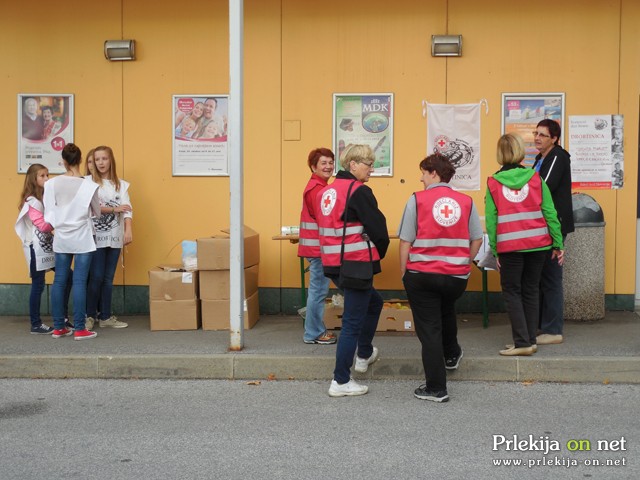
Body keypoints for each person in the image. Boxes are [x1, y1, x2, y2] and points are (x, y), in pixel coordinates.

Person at [398, 154, 483, 402]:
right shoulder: (466, 201)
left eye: (423, 173)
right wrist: (465, 262)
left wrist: (404, 272)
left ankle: (436, 387)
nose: (421, 178)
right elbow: (476, 239)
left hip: (422, 274)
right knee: (446, 311)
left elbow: (406, 241)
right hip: (455, 276)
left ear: (434, 173)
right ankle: (451, 354)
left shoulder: (417, 199)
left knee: (429, 329)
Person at [317, 144, 389, 397]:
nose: (372, 169)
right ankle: (341, 380)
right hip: (356, 264)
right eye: (368, 164)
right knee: (351, 324)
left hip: (334, 263)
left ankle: (365, 354)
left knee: (374, 303)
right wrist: (381, 250)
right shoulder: (359, 191)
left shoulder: (327, 192)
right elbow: (379, 229)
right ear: (353, 165)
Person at [486, 133, 564, 356]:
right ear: (520, 151)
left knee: (512, 292)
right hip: (538, 245)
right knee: (531, 290)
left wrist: (495, 249)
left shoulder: (493, 182)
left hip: (510, 247)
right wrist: (557, 243)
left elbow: (492, 220)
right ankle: (530, 340)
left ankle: (522, 343)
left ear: (500, 154)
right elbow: (550, 212)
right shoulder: (535, 178)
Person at [43, 143, 101, 340]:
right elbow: (97, 211)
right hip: (82, 236)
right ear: (81, 160)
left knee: (59, 281)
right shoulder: (90, 185)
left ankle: (59, 327)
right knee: (79, 281)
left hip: (61, 236)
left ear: (64, 161)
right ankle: (79, 329)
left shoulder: (51, 184)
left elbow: (49, 212)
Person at [531, 119, 574, 345]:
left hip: (553, 226)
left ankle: (553, 330)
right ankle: (543, 326)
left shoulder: (557, 156)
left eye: (542, 135)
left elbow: (541, 188)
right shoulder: (541, 158)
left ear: (554, 139)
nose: (537, 138)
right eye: (535, 133)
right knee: (541, 278)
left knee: (551, 278)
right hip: (542, 226)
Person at [85, 146, 132, 330]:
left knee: (107, 278)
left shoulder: (121, 184)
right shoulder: (88, 182)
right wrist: (113, 209)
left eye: (104, 159)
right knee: (95, 277)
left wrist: (128, 230)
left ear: (110, 160)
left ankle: (105, 316)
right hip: (95, 236)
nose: (101, 163)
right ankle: (89, 316)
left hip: (114, 236)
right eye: (97, 159)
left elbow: (128, 209)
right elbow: (89, 208)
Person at [298, 148, 337, 345]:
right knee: (318, 291)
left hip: (317, 248)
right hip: (319, 249)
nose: (328, 166)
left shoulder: (319, 186)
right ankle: (314, 333)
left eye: (330, 162)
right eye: (323, 163)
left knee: (318, 290)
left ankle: (313, 331)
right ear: (313, 167)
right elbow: (324, 218)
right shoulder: (317, 189)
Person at [15, 164, 56, 334]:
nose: (47, 179)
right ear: (34, 179)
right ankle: (36, 324)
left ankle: (63, 318)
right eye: (42, 176)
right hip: (36, 248)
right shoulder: (32, 201)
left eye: (47, 175)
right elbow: (42, 225)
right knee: (38, 285)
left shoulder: (45, 197)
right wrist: (58, 223)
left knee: (67, 276)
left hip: (48, 246)